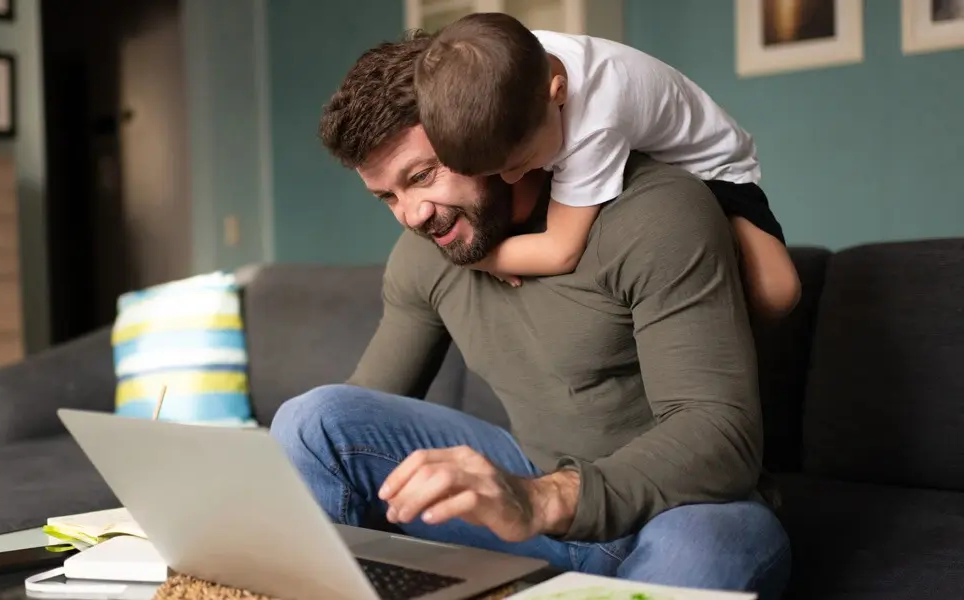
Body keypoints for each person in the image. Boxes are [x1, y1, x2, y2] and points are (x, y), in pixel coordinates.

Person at [268, 30, 791, 599]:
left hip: (673, 511)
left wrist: (543, 498)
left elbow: (721, 435)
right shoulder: (430, 252)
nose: (413, 214)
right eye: (388, 197)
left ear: (479, 131)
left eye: (422, 175)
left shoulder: (657, 212)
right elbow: (354, 423)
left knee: (706, 549)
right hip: (530, 490)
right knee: (313, 420)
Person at [412, 13, 800, 320]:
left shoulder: (594, 124)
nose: (511, 179)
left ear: (557, 94)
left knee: (777, 293)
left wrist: (479, 258)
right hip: (642, 148)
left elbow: (560, 251)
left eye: (521, 164)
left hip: (715, 167)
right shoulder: (512, 61)